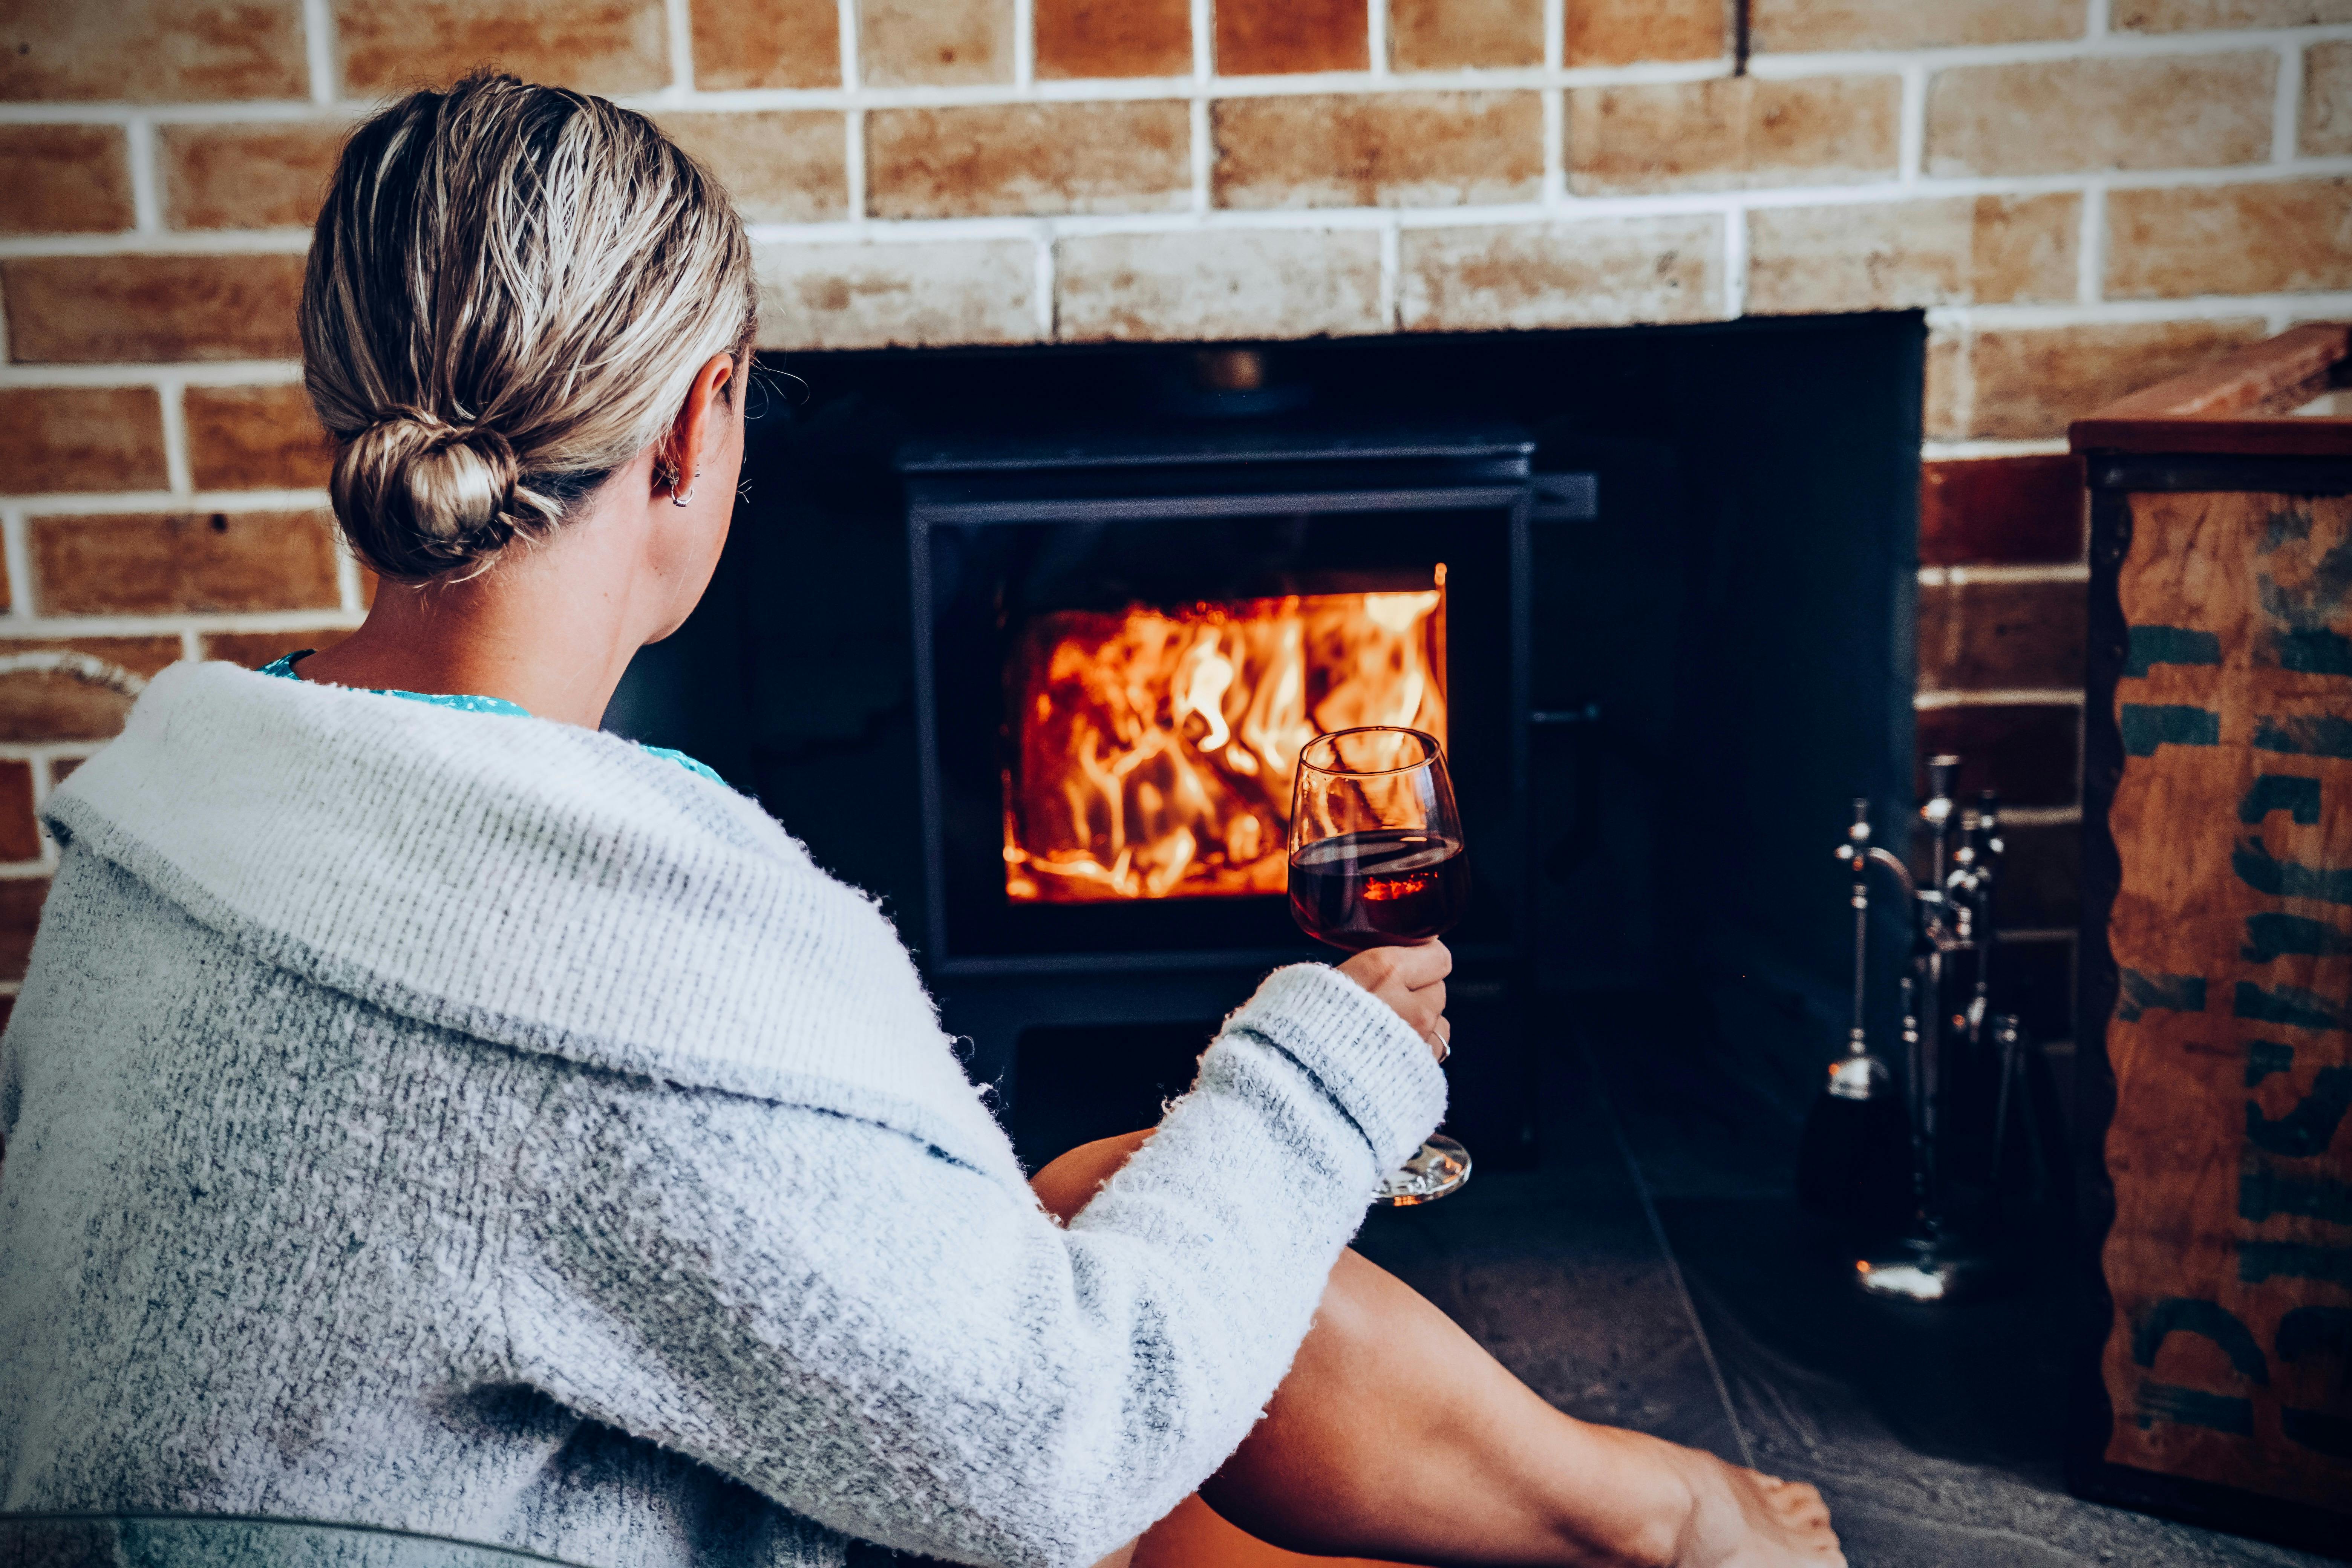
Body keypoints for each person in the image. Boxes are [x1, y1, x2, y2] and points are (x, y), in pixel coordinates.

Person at [0, 74, 1841, 1568]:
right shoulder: (595, 945)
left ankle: (1641, 1517)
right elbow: (1051, 1451)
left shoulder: (172, 824)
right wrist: (1335, 1053)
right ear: (695, 428)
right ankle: (1669, 1516)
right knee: (1108, 1312)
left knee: (1092, 1207)